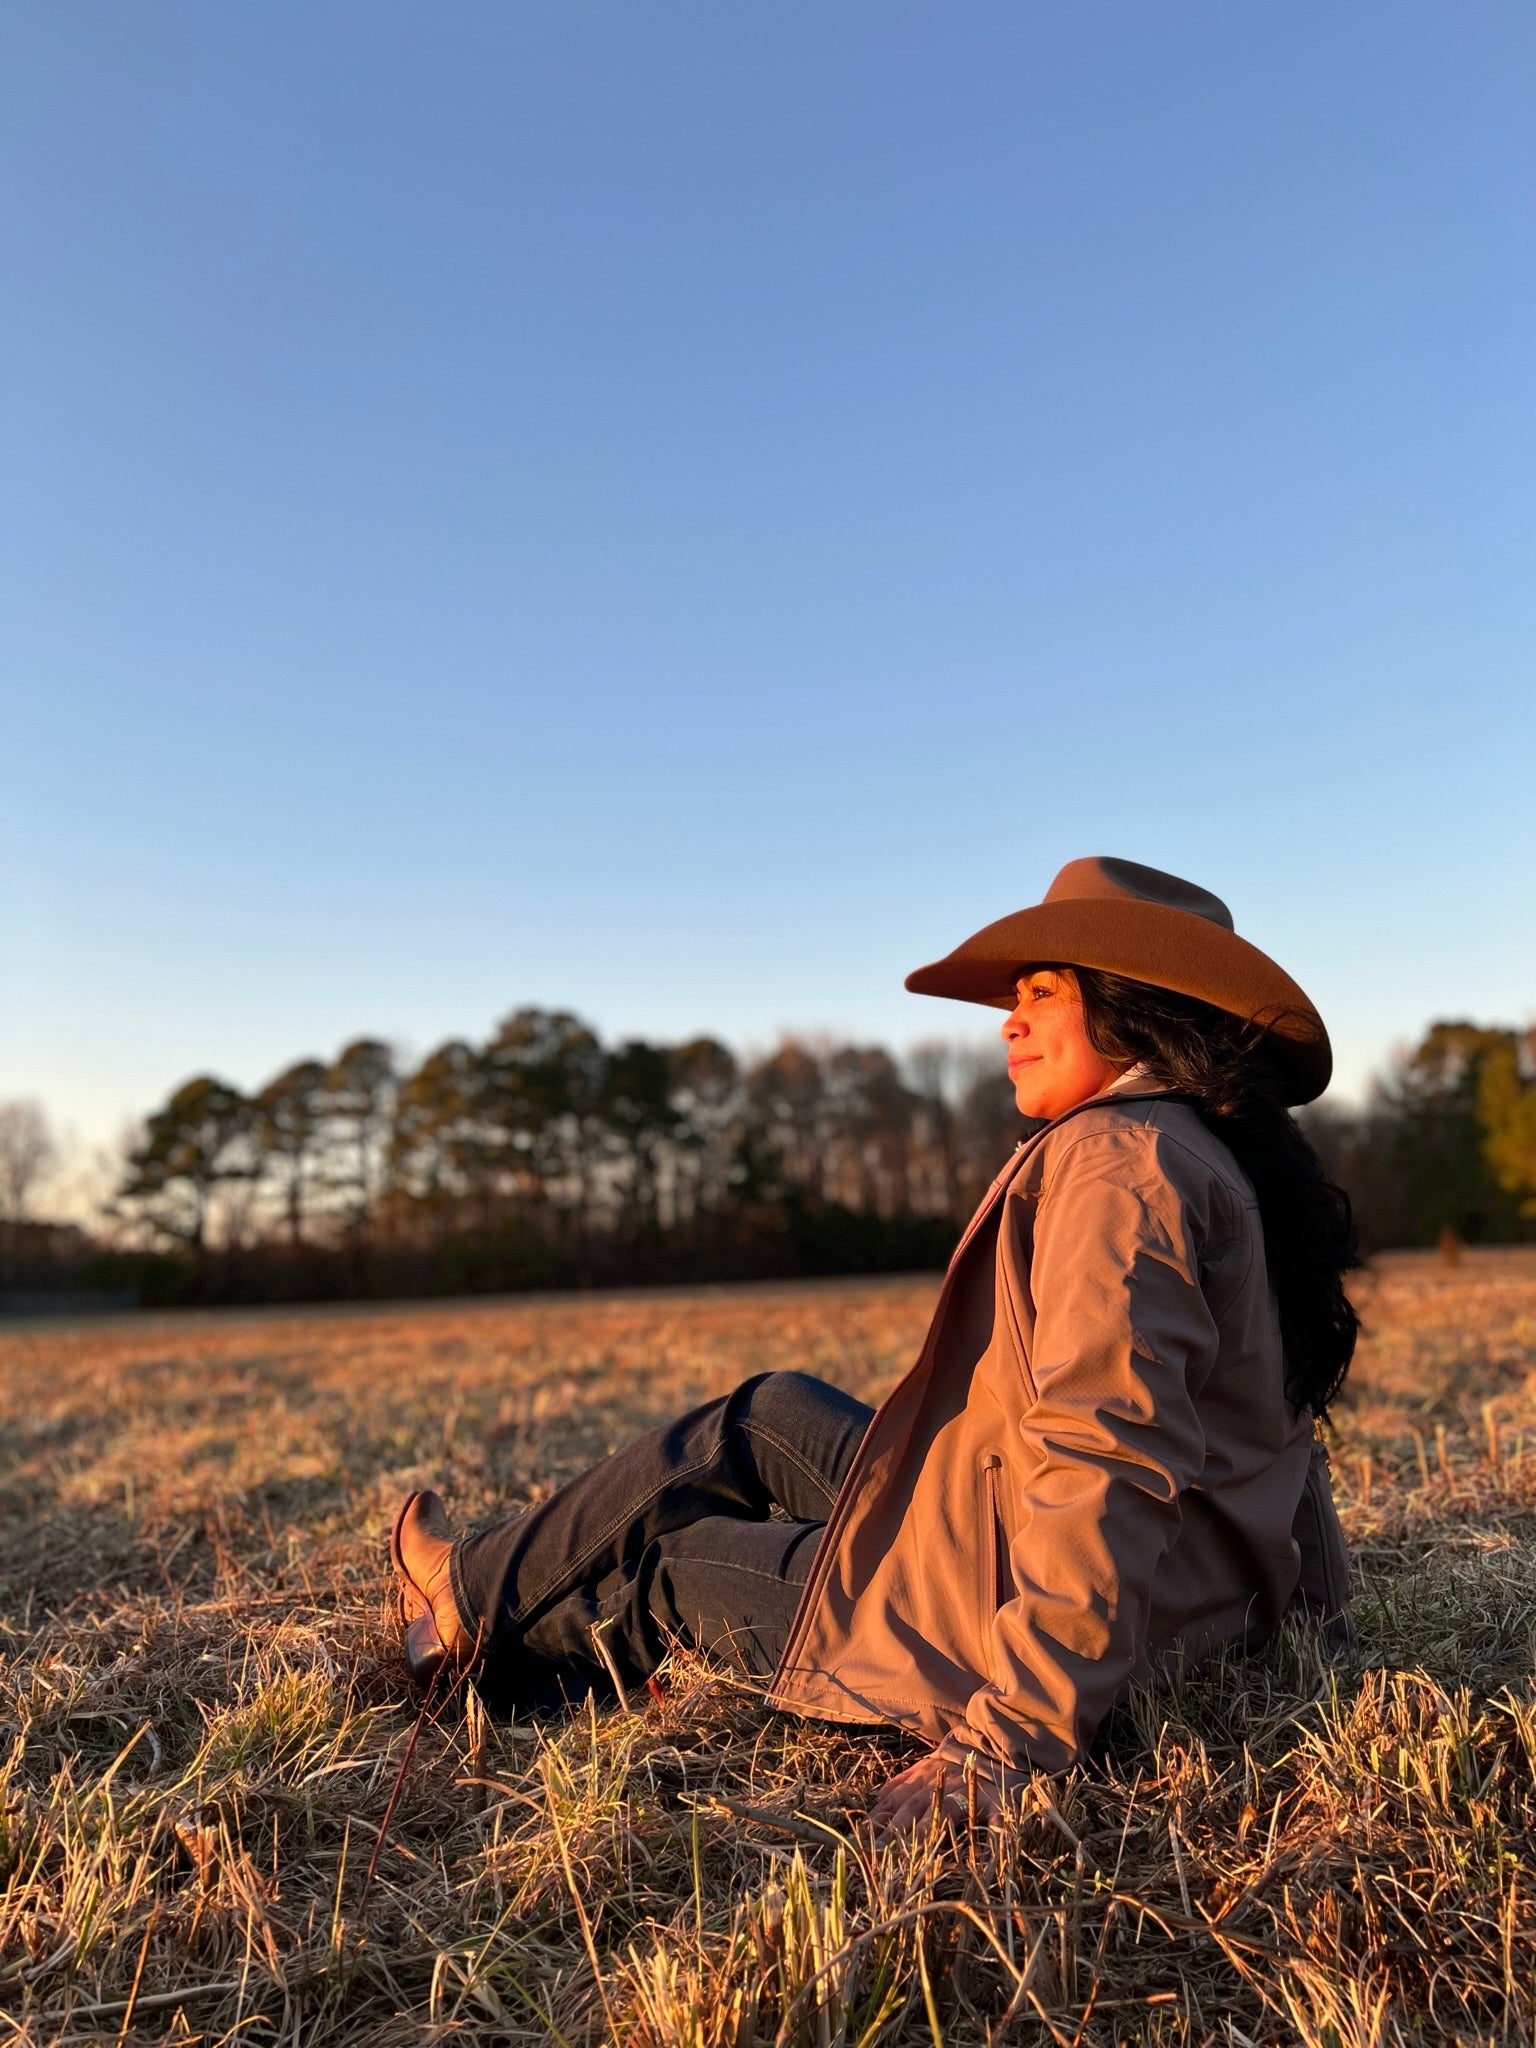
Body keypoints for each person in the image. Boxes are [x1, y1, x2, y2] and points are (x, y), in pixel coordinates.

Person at [388, 857, 1356, 1833]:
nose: (1009, 1021)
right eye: (1013, 997)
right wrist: (1313, 1625)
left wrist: (1013, 1736)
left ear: (1135, 1004)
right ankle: (474, 1584)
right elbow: (1281, 1436)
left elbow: (1105, 1457)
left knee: (677, 1569)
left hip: (1029, 1623)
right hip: (1121, 1576)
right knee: (764, 1412)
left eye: (1042, 991)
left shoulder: (1118, 1166)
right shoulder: (1214, 1152)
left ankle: (478, 1655)